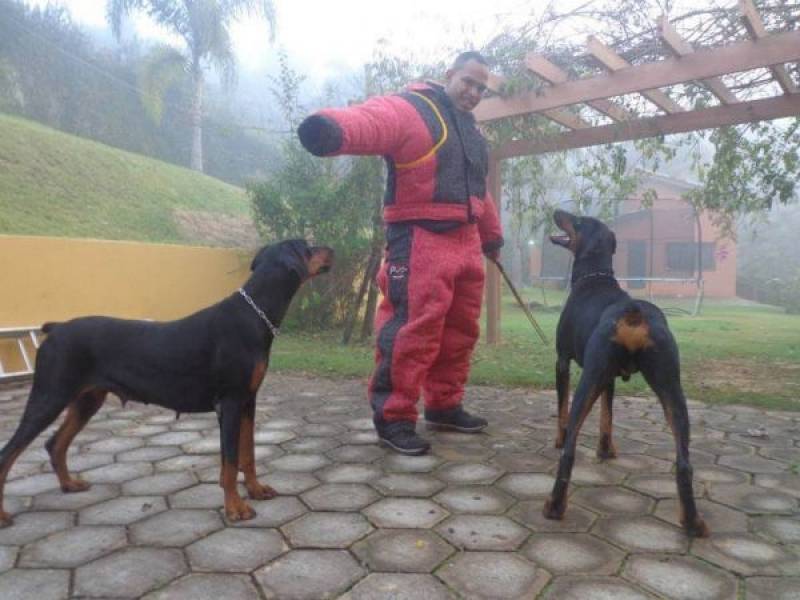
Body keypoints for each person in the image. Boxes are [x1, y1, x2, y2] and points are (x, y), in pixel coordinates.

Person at [297, 51, 503, 455]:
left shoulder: (474, 134)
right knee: (412, 329)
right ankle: (394, 417)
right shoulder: (415, 109)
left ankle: (444, 405)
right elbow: (374, 120)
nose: (474, 92)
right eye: (468, 82)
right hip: (419, 239)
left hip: (466, 243)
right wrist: (330, 130)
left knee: (460, 332)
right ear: (450, 74)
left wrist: (491, 237)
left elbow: (479, 191)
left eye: (481, 87)